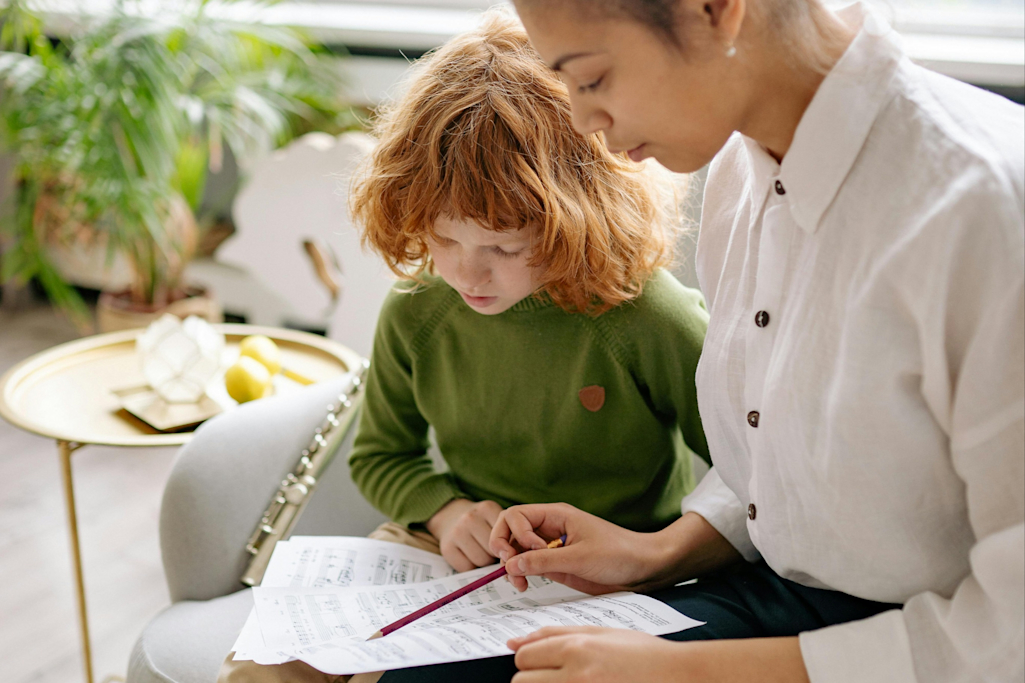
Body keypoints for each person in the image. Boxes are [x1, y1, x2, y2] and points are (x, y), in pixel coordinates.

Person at [476, 0, 1023, 682]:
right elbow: (796, 467)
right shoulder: (740, 169)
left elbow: (1011, 630)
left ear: (715, 10)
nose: (582, 121)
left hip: (930, 640)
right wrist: (654, 553)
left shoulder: (986, 209)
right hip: (787, 598)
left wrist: (683, 672)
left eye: (589, 78)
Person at [219, 11, 714, 682]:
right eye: (442, 238)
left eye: (503, 247)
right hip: (447, 554)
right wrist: (446, 511)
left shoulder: (646, 319)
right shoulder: (418, 311)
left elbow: (744, 478)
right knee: (264, 668)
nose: (464, 273)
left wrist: (649, 551)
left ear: (579, 219)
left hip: (613, 571)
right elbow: (379, 456)